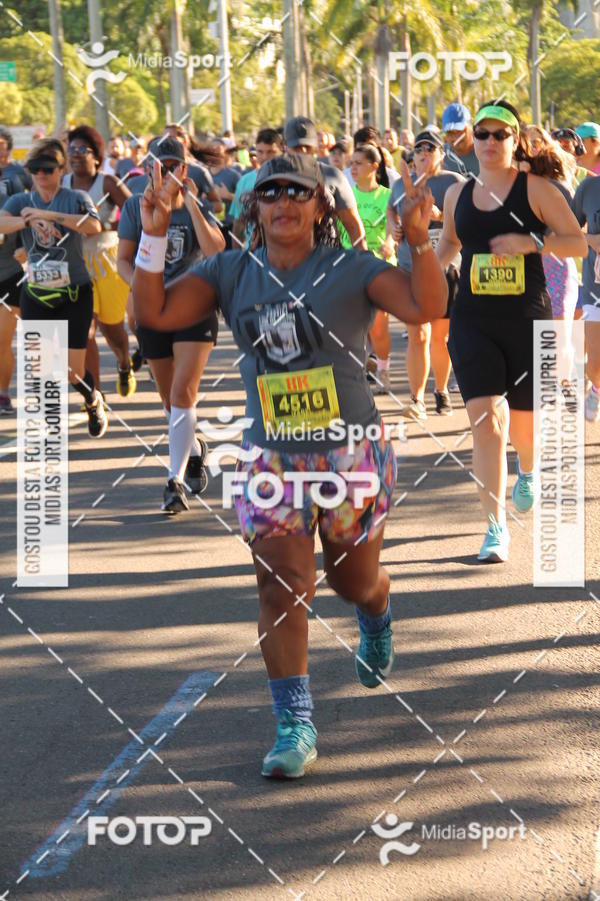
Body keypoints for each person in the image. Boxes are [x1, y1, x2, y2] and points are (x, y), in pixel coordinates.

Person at [131, 152, 447, 777]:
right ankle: (294, 724)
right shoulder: (230, 271)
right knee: (282, 584)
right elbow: (156, 314)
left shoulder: (351, 267)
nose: (283, 203)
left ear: (320, 204)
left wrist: (418, 241)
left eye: (297, 192)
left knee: (351, 583)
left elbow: (424, 307)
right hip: (272, 456)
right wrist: (153, 235)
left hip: (350, 451)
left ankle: (376, 607)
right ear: (255, 206)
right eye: (270, 192)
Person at [436, 101, 586, 562]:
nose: (489, 142)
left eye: (500, 134)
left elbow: (578, 243)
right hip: (472, 320)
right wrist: (423, 267)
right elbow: (449, 243)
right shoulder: (458, 194)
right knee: (486, 422)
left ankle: (528, 468)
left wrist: (532, 242)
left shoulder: (536, 190)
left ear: (515, 140)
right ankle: (495, 527)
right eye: (482, 134)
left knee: (525, 425)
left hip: (527, 320)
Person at [117, 136, 225, 512]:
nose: (164, 173)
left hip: (194, 307)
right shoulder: (136, 206)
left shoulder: (197, 205)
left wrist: (192, 203)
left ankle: (174, 482)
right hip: (153, 310)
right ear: (148, 168)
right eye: (158, 166)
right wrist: (143, 290)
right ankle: (193, 448)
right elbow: (123, 260)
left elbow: (216, 252)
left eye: (171, 167)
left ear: (184, 169)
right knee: (169, 401)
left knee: (182, 394)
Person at [0, 138, 108, 436]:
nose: (40, 174)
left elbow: (93, 226)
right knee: (41, 368)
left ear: (61, 170)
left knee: (73, 372)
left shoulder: (76, 197)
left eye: (47, 169)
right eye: (35, 169)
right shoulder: (20, 202)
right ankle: (50, 430)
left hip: (75, 293)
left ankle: (93, 400)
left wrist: (48, 216)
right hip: (36, 295)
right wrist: (27, 221)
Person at [388, 129, 464, 418]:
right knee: (418, 335)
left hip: (445, 267)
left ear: (441, 154)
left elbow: (464, 221)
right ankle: (416, 399)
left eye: (429, 148)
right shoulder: (401, 184)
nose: (423, 154)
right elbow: (391, 211)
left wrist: (440, 216)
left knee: (439, 338)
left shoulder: (453, 183)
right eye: (418, 149)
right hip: (409, 267)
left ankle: (441, 391)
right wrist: (394, 228)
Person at [63, 125, 135, 399]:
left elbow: (135, 213)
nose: (76, 154)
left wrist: (105, 225)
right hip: (77, 265)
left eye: (83, 149)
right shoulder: (62, 184)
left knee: (113, 330)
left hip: (108, 262)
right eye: (72, 149)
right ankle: (96, 396)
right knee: (86, 331)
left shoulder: (107, 183)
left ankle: (124, 363)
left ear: (96, 156)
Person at [341, 143, 396, 393]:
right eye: (351, 163)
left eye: (358, 163)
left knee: (378, 326)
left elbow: (394, 225)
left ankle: (383, 369)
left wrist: (389, 242)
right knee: (354, 325)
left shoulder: (387, 195)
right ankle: (358, 371)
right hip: (350, 266)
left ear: (374, 166)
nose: (353, 168)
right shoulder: (346, 196)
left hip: (379, 267)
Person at [284, 116, 367, 249]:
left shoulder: (332, 176)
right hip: (284, 255)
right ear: (285, 146)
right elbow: (259, 224)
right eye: (297, 147)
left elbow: (353, 225)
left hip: (327, 254)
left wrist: (363, 256)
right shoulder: (271, 177)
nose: (303, 151)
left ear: (315, 146)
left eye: (307, 146)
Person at [572, 168, 600, 420]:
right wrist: (591, 239)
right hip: (596, 290)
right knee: (595, 364)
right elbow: (567, 230)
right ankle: (596, 387)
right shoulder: (589, 188)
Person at [0, 152, 26, 415]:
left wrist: (25, 251)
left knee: (1, 340)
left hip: (7, 278)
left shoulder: (9, 203)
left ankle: (3, 394)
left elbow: (27, 233)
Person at [230, 128, 283, 248]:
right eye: (260, 152)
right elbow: (239, 224)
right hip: (253, 253)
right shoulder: (244, 181)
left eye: (271, 152)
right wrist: (237, 256)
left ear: (281, 151)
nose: (265, 157)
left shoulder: (291, 181)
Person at [208, 137, 241, 248]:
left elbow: (247, 200)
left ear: (225, 153)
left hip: (229, 227)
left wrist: (228, 195)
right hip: (208, 226)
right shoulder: (202, 174)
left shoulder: (233, 175)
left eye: (218, 149)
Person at [441, 102, 479, 177]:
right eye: (450, 132)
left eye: (460, 131)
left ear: (471, 126)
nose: (456, 137)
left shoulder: (486, 152)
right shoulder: (440, 158)